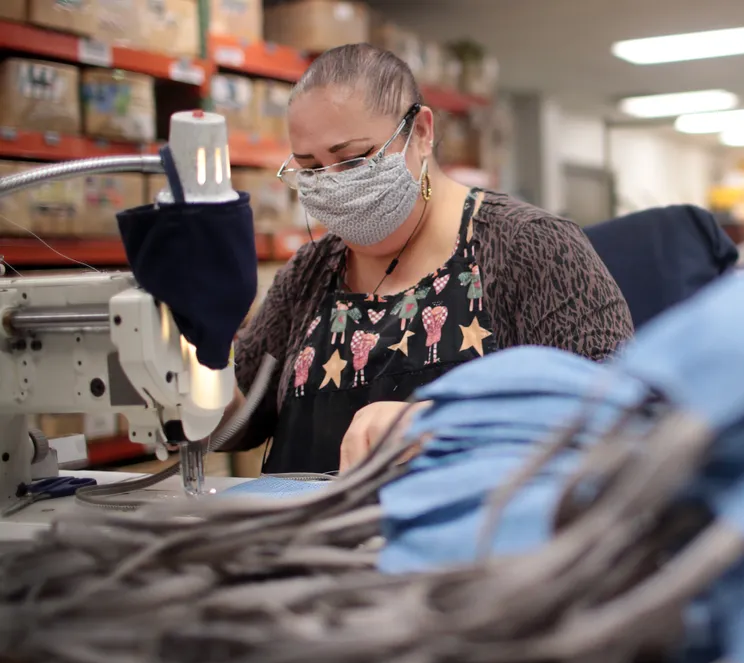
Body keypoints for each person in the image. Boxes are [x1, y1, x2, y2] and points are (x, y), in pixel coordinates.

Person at [227, 44, 633, 474]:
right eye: (310, 168)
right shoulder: (308, 273)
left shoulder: (532, 249)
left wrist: (443, 421)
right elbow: (240, 424)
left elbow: (616, 411)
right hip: (305, 534)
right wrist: (190, 364)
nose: (331, 184)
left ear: (421, 132)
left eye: (353, 160)